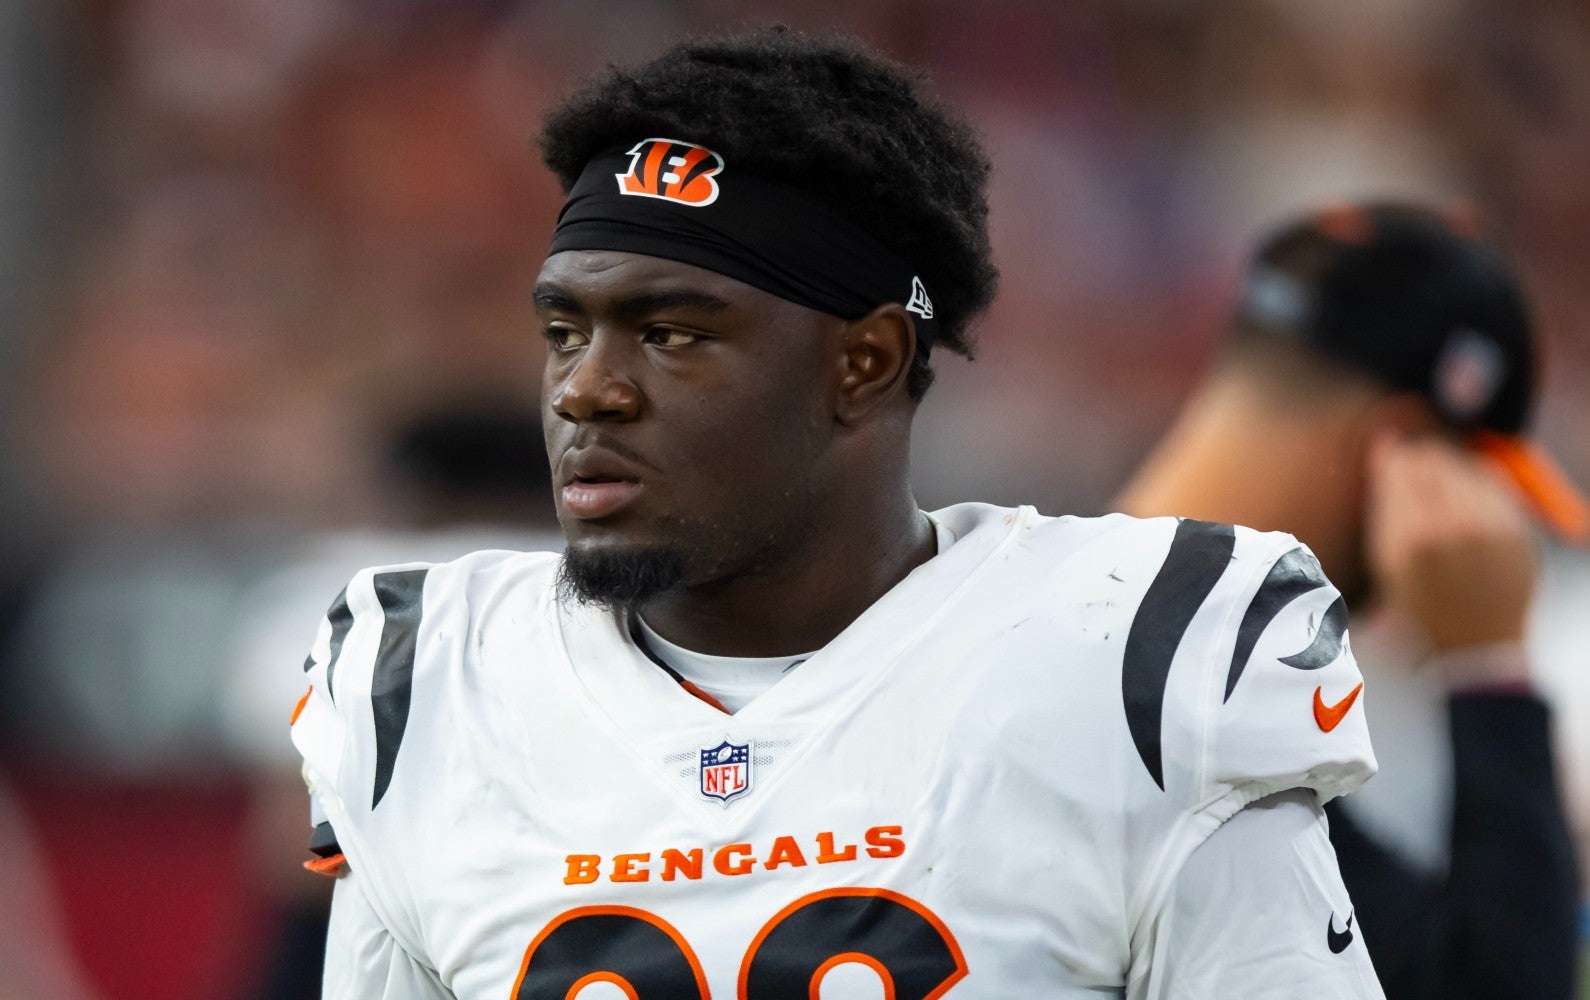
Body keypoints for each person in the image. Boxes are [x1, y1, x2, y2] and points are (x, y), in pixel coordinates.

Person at [290, 29, 1385, 998]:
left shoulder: (1129, 662)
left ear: (864, 361)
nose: (587, 387)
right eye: (564, 330)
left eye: (670, 331)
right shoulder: (429, 681)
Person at [1116, 201, 1584, 1000]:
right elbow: (1490, 985)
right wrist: (1487, 671)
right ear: (1402, 444)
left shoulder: (1044, 599)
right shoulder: (1195, 694)